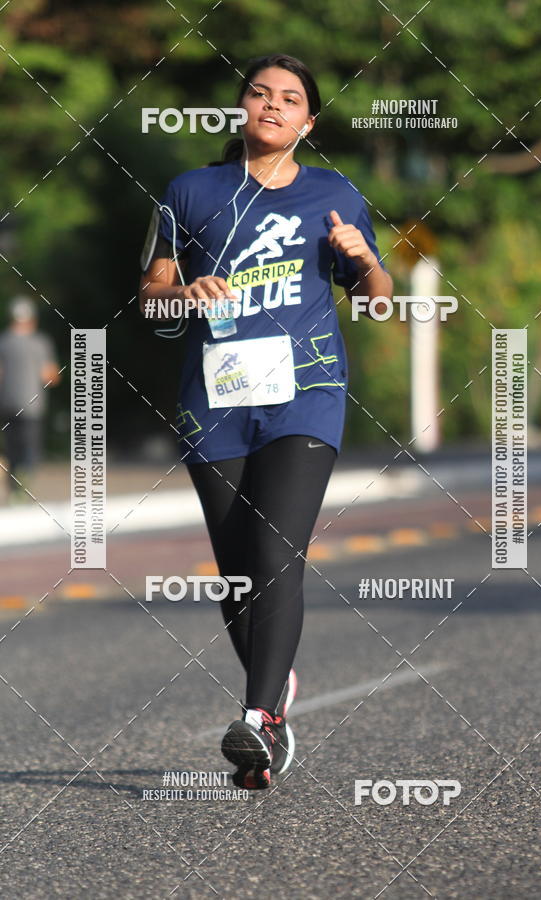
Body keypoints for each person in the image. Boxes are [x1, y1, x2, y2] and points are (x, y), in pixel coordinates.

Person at [139, 53, 393, 789]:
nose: (273, 105)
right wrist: (184, 293)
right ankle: (275, 693)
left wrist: (363, 260)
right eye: (260, 93)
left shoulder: (335, 195)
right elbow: (150, 296)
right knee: (238, 572)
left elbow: (378, 299)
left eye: (290, 99)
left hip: (305, 394)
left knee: (277, 550)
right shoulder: (190, 192)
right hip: (214, 402)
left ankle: (258, 719)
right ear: (241, 108)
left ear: (308, 123)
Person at [0, 296, 61, 502]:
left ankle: (14, 489)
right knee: (29, 449)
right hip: (32, 406)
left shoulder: (3, 342)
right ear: (32, 320)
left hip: (7, 404)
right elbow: (49, 376)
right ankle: (23, 488)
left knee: (12, 449)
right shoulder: (40, 343)